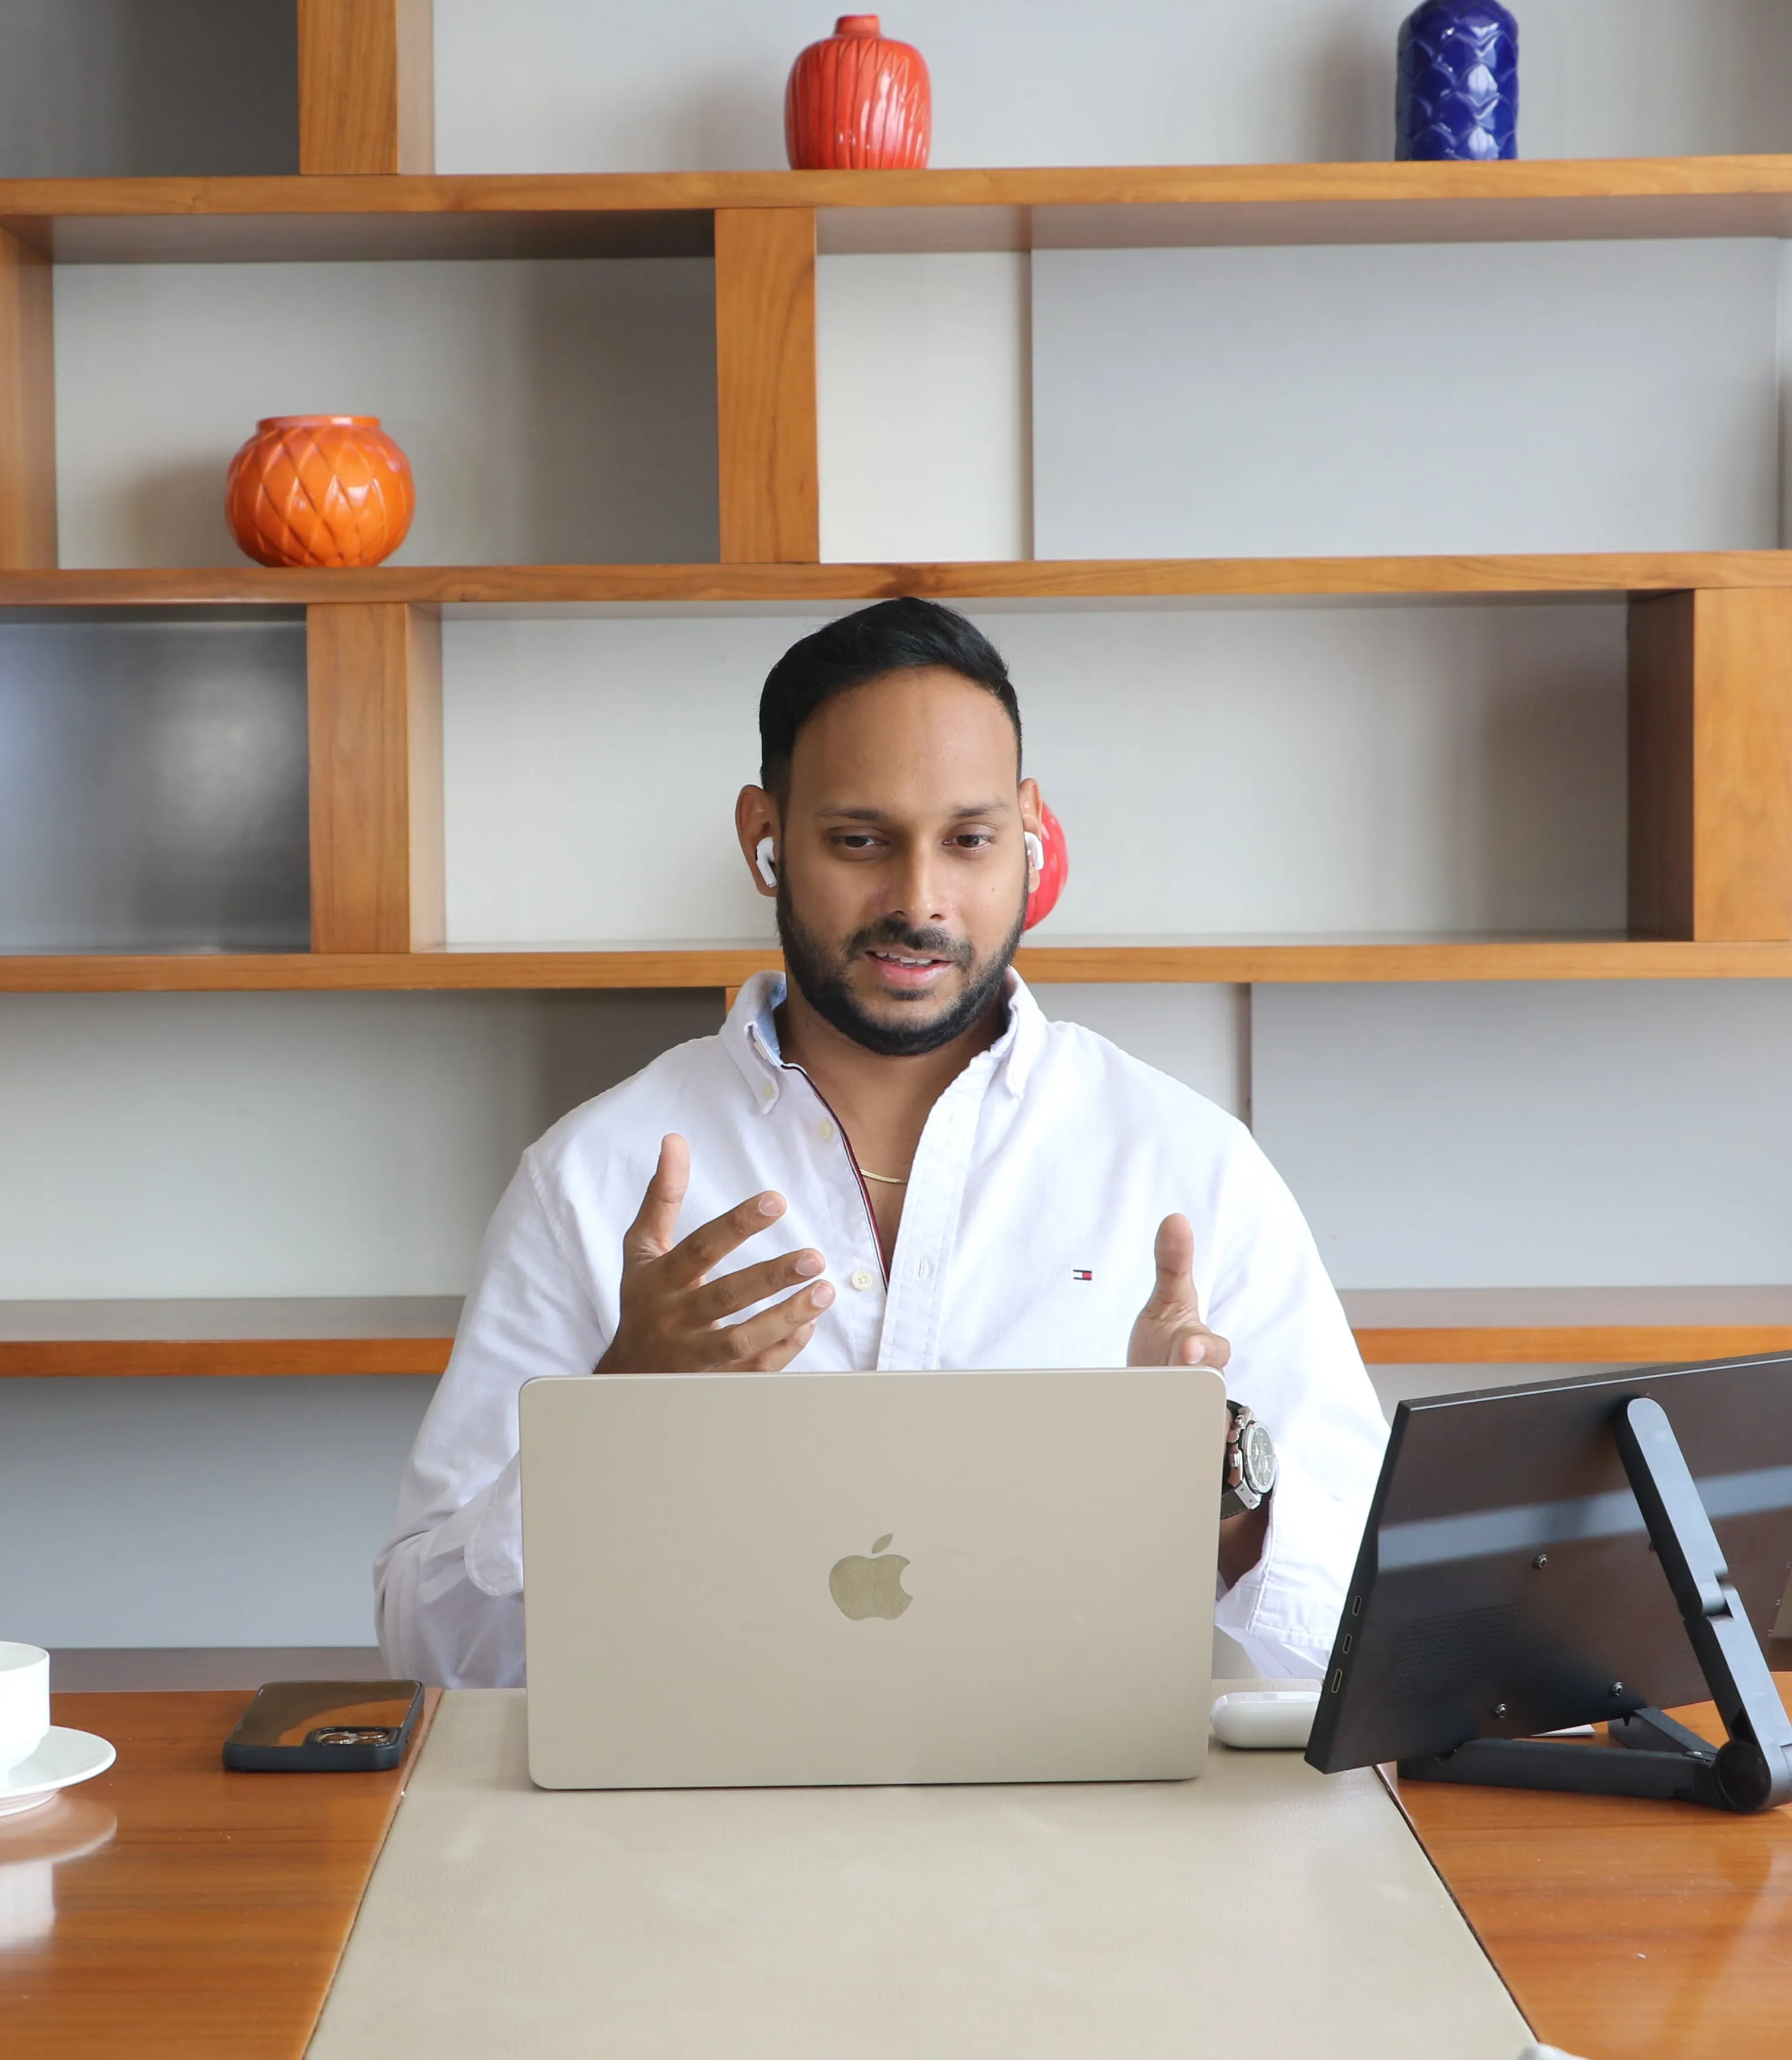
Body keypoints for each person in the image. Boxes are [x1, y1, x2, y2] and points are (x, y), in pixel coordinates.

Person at [375, 598, 1388, 1688]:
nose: (920, 900)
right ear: (764, 837)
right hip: (708, 1797)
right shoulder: (593, 1179)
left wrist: (1223, 1497)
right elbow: (432, 1650)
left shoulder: (1189, 1166)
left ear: (1029, 832)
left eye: (969, 841)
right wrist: (612, 1422)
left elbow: (1379, 1629)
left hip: (1093, 1796)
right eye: (861, 841)